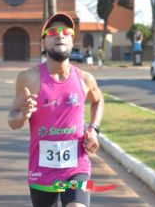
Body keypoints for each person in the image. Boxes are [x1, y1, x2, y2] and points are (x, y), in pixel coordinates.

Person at [8, 13, 104, 207]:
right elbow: (12, 119)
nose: (59, 35)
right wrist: (23, 114)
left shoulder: (84, 79)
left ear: (72, 40)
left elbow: (98, 100)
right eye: (52, 32)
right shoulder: (29, 78)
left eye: (65, 32)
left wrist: (94, 129)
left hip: (77, 166)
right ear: (43, 42)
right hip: (42, 169)